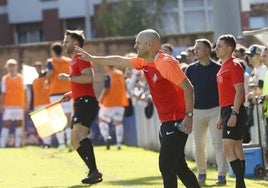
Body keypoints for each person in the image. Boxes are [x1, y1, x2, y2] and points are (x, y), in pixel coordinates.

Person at [76, 29, 200, 188]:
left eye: (138, 43)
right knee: (178, 165)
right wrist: (93, 58)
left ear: (149, 45)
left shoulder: (165, 63)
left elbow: (188, 88)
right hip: (167, 120)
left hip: (177, 120)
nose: (135, 46)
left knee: (166, 165)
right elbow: (120, 61)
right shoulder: (145, 60)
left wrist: (188, 116)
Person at [59, 30, 102, 184]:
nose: (64, 44)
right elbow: (81, 82)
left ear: (75, 43)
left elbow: (88, 78)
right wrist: (71, 94)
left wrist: (69, 77)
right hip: (79, 101)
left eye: (67, 41)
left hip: (86, 102)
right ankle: (93, 170)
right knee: (74, 141)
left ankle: (94, 171)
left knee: (80, 134)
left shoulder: (80, 57)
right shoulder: (74, 60)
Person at [185, 38, 228, 185]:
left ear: (208, 50)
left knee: (218, 143)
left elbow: (223, 92)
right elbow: (186, 92)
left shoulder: (218, 69)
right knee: (199, 144)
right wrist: (188, 113)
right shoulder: (190, 69)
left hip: (215, 110)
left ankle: (221, 175)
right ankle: (202, 173)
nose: (195, 50)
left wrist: (222, 112)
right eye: (195, 48)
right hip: (197, 111)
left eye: (198, 48)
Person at [215, 34, 247, 188]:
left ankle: (240, 184)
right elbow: (225, 94)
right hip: (227, 110)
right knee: (236, 148)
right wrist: (222, 116)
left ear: (229, 49)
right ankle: (241, 184)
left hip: (235, 110)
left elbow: (239, 91)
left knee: (228, 148)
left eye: (219, 46)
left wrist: (234, 113)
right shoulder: (223, 66)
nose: (216, 48)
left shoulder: (234, 65)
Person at [45, 42, 73, 151]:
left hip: (54, 92)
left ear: (53, 51)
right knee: (68, 117)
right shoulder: (69, 61)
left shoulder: (50, 61)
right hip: (67, 92)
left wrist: (47, 80)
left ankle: (61, 144)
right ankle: (69, 140)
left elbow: (50, 73)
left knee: (56, 119)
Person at [98, 66, 129, 150]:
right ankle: (119, 144)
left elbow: (106, 89)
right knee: (118, 123)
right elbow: (125, 87)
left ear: (108, 66)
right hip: (120, 102)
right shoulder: (120, 74)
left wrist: (100, 98)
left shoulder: (108, 75)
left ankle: (106, 137)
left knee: (102, 120)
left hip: (109, 103)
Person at [0, 59, 28, 148]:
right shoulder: (5, 78)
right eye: (9, 66)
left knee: (18, 124)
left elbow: (25, 92)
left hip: (19, 106)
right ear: (7, 67)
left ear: (16, 66)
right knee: (6, 124)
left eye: (13, 65)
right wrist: (1, 105)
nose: (11, 68)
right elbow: (2, 93)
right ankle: (2, 145)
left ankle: (17, 145)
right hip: (8, 106)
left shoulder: (21, 78)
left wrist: (26, 104)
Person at [32, 61, 51, 147]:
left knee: (47, 123)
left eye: (39, 67)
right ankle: (45, 142)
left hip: (46, 103)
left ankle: (48, 143)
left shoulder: (46, 78)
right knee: (41, 125)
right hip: (37, 104)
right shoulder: (34, 80)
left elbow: (50, 73)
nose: (38, 69)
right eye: (36, 67)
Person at [257, 47, 268, 163]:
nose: (262, 58)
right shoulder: (266, 72)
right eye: (262, 56)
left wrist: (263, 97)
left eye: (265, 56)